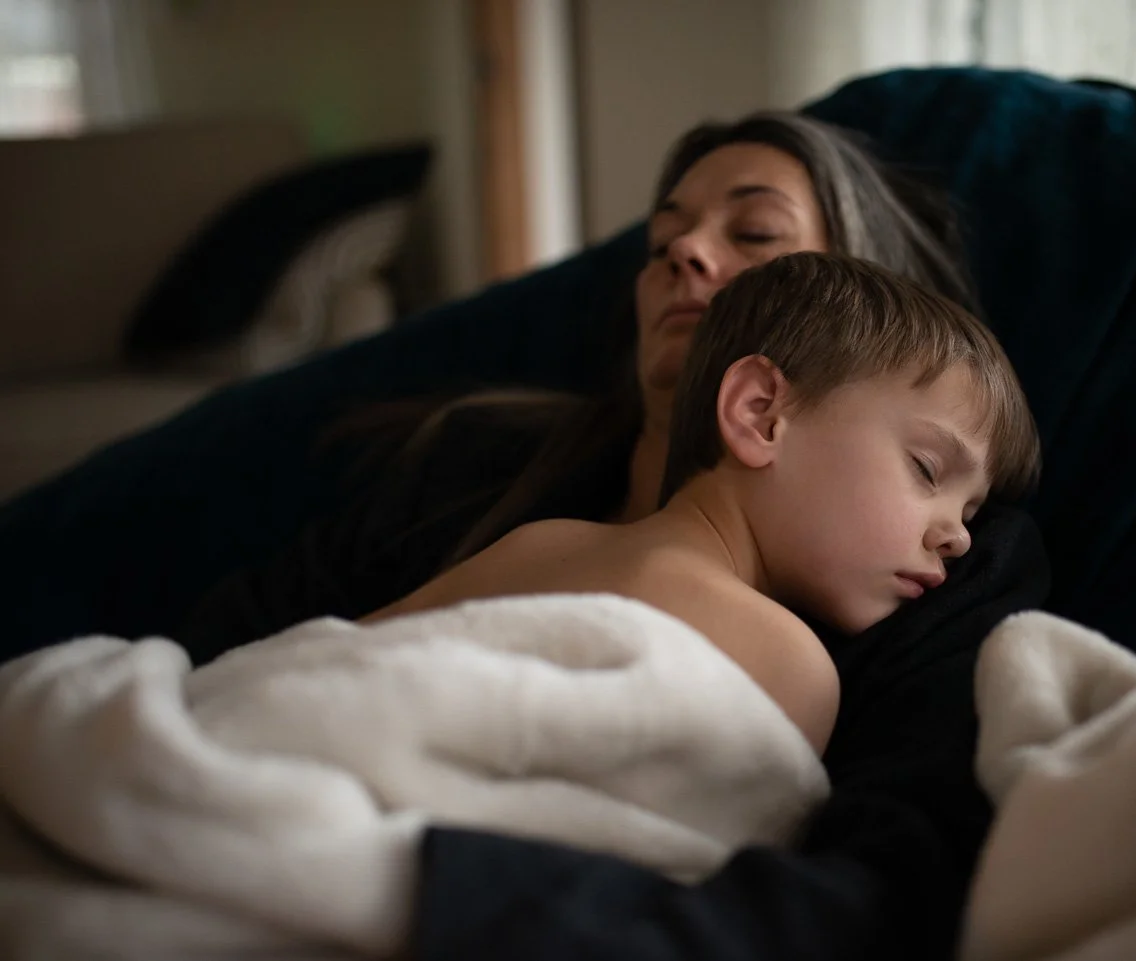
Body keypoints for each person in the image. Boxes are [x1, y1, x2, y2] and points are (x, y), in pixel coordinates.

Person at [180, 110, 1051, 961]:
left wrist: (410, 890)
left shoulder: (942, 566)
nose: (682, 251)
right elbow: (285, 665)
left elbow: (878, 891)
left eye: (753, 231)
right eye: (660, 238)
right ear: (757, 406)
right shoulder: (484, 469)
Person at [365, 252, 1039, 756]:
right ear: (761, 414)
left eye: (973, 512)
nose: (959, 538)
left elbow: (333, 659)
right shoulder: (785, 662)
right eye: (927, 469)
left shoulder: (540, 542)